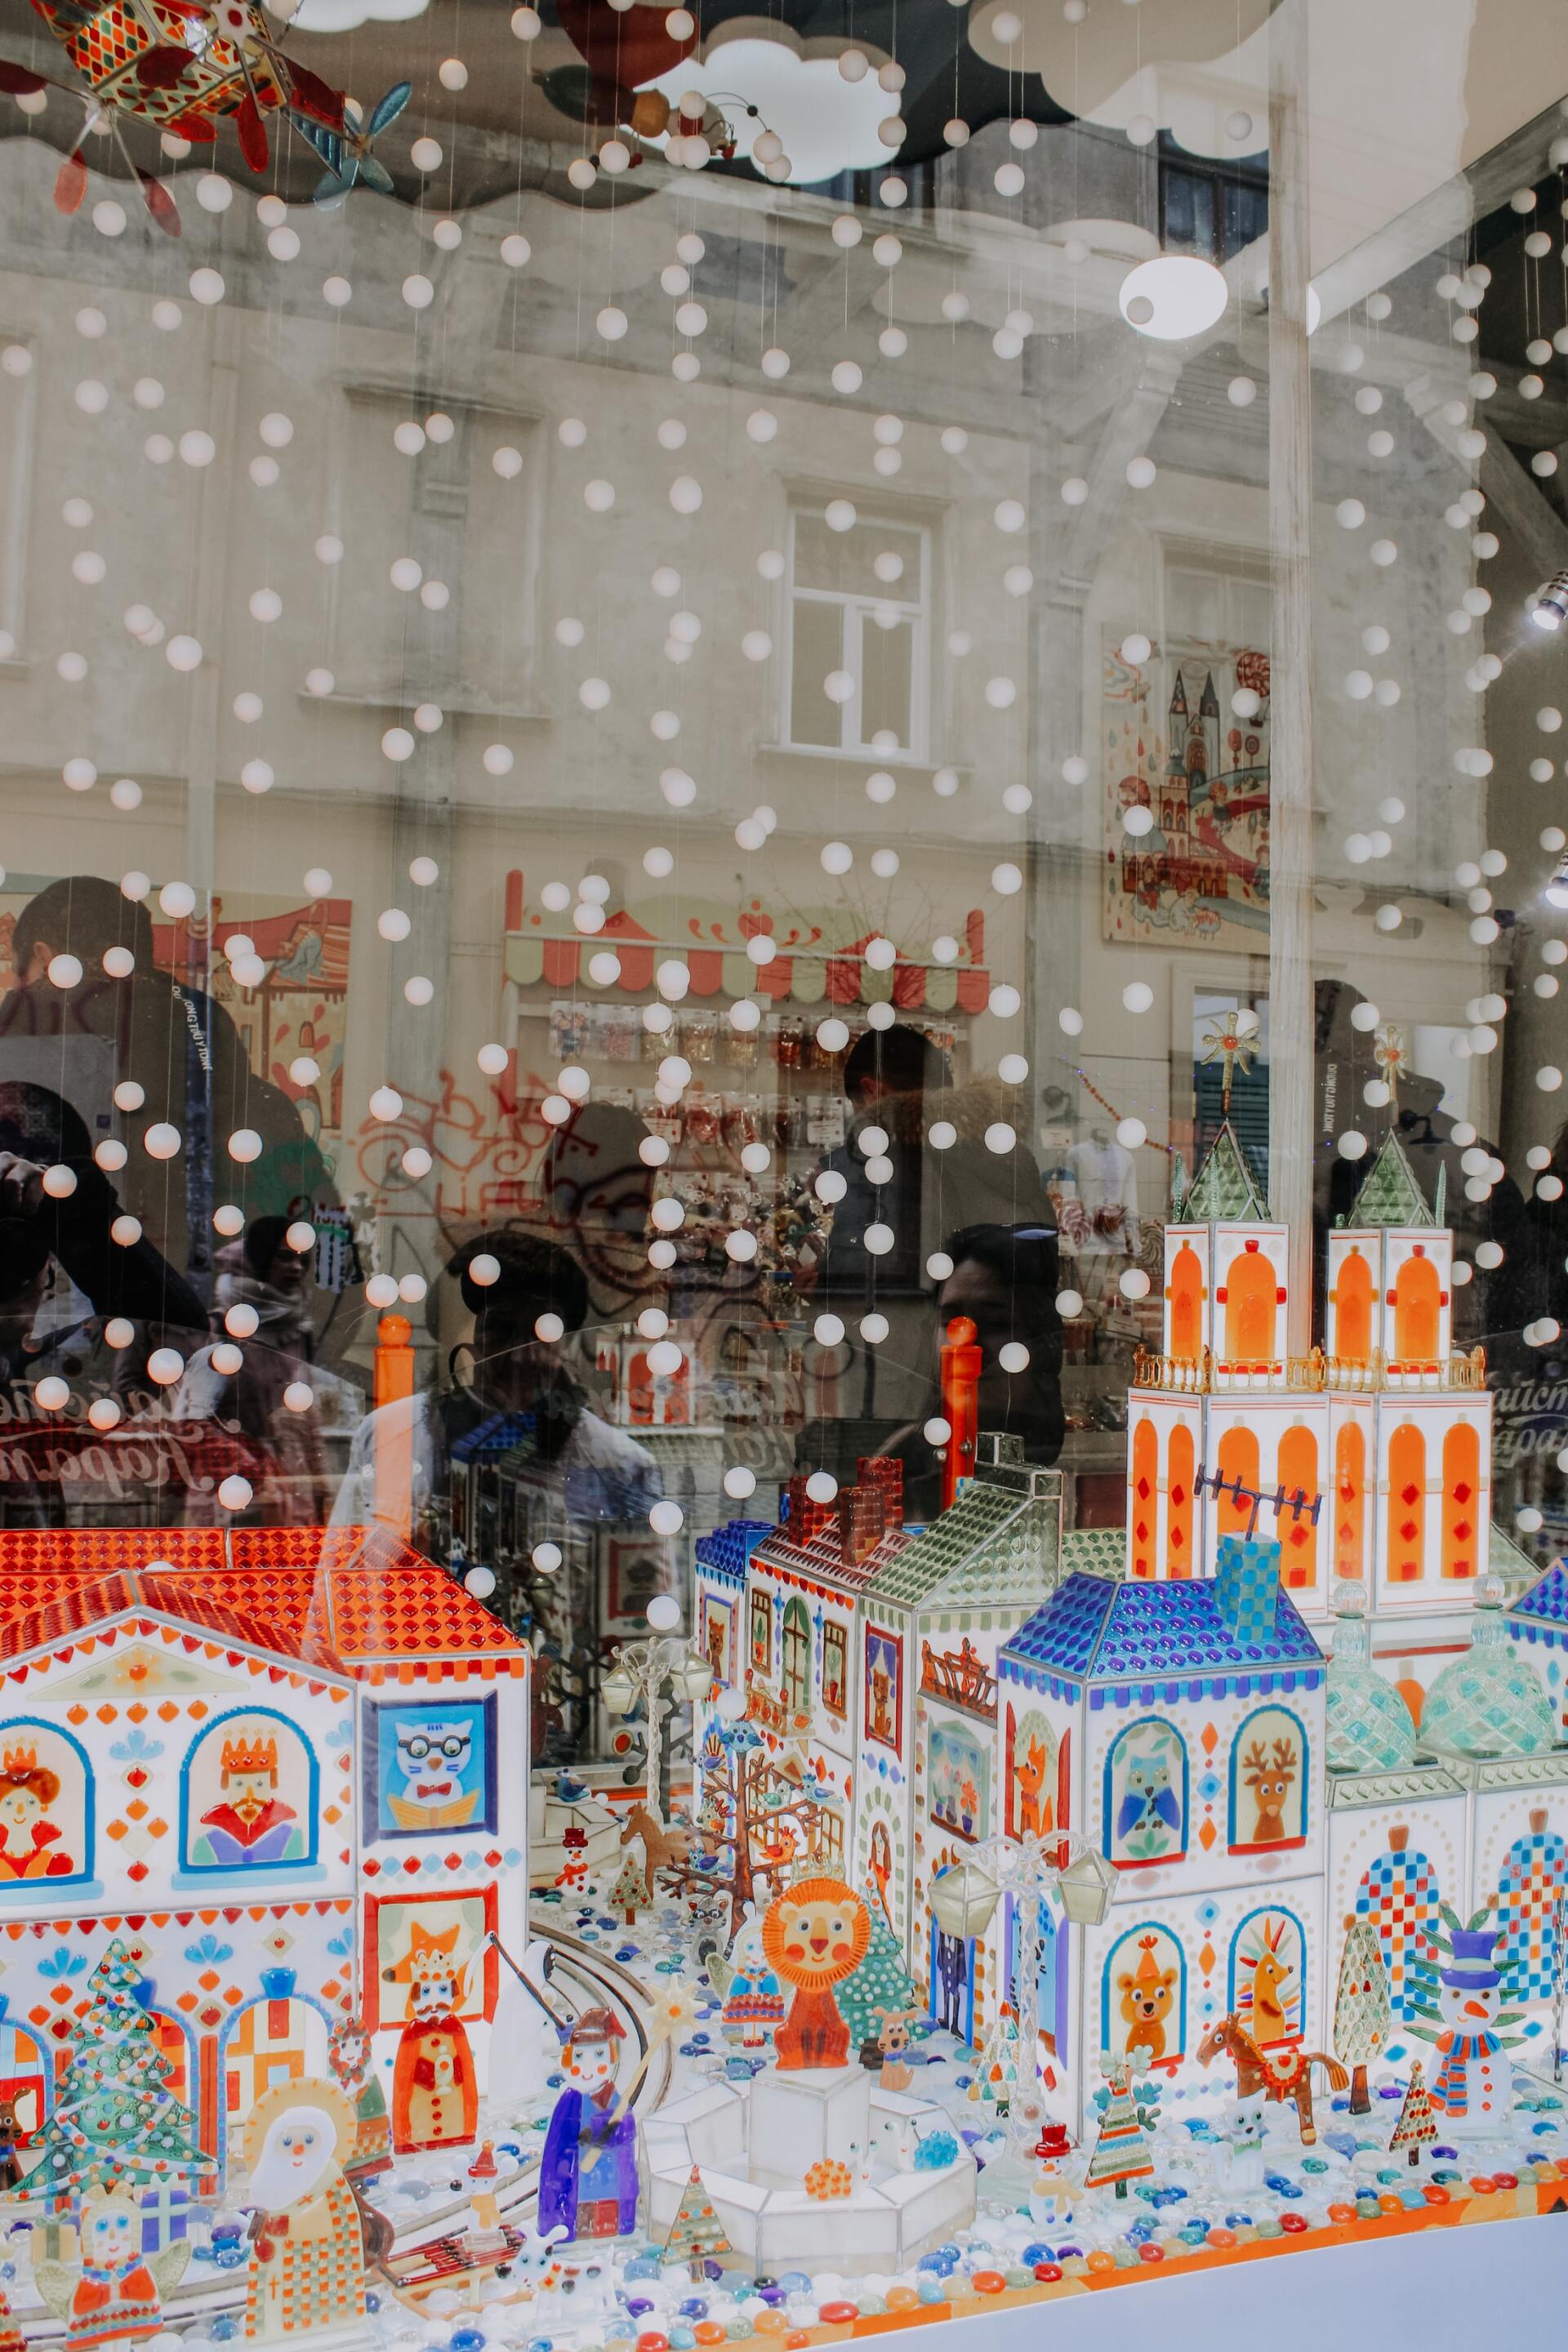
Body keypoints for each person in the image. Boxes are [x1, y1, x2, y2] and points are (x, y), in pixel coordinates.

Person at [0, 876, 330, 1282]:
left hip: (55, 1303)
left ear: (44, 955)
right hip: (199, 1306)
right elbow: (323, 1246)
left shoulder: (22, 1034)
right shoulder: (211, 1044)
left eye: (22, 973)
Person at [334, 1229, 661, 1535]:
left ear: (564, 1346)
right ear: (474, 1339)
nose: (518, 1356)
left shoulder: (620, 1466)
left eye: (538, 1336)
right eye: (501, 1331)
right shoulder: (388, 1435)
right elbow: (342, 1572)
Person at [876, 1222, 1065, 1520]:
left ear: (1038, 1341)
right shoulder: (902, 1459)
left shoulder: (1067, 1468)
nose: (967, 1342)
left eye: (996, 1323)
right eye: (951, 1321)